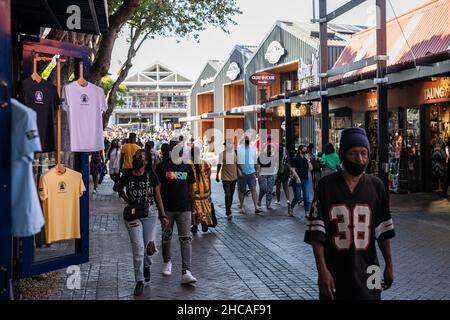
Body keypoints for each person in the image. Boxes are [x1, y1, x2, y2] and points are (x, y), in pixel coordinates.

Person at [305, 127, 395, 300]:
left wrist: (389, 265)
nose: (359, 159)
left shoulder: (376, 186)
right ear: (343, 155)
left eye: (363, 153)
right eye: (353, 153)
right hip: (335, 269)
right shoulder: (326, 186)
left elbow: (383, 232)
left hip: (371, 269)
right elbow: (317, 235)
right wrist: (322, 271)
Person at [117, 155, 169, 296]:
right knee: (138, 248)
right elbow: (118, 188)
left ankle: (147, 265)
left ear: (145, 166)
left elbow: (158, 196)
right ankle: (139, 281)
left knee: (149, 247)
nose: (138, 173)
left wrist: (163, 215)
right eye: (136, 171)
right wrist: (128, 200)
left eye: (140, 171)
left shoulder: (151, 175)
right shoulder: (127, 175)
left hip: (150, 213)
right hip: (133, 215)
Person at [155, 139, 197, 284]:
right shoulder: (162, 167)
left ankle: (187, 271)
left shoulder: (187, 167)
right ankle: (167, 261)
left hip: (184, 208)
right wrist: (161, 211)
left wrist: (194, 209)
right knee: (166, 237)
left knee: (186, 239)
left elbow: (191, 190)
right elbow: (157, 190)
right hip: (167, 209)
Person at [237, 135, 262, 214]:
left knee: (253, 189)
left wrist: (257, 172)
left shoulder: (253, 149)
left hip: (251, 173)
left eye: (248, 139)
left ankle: (256, 207)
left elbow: (255, 162)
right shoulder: (239, 148)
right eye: (245, 139)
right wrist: (239, 172)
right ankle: (241, 207)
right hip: (242, 173)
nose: (247, 140)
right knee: (242, 191)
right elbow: (236, 162)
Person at [190, 147, 213, 233]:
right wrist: (210, 189)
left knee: (195, 207)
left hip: (194, 189)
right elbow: (209, 176)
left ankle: (195, 225)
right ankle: (204, 221)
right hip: (205, 188)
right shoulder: (205, 163)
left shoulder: (188, 164)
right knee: (205, 206)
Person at [216, 139, 238, 221]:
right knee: (228, 194)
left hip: (234, 177)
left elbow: (237, 164)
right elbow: (219, 164)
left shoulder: (235, 153)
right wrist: (217, 175)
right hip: (225, 178)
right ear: (225, 145)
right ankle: (228, 211)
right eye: (228, 144)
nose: (230, 145)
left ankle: (229, 208)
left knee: (231, 195)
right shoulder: (222, 154)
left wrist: (241, 171)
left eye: (231, 144)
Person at [288, 145, 313, 217]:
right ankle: (291, 207)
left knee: (306, 197)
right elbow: (293, 169)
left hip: (305, 180)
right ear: (300, 151)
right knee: (297, 197)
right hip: (297, 180)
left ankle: (307, 212)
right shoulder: (295, 158)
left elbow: (311, 169)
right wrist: (297, 177)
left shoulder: (306, 159)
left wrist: (308, 160)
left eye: (306, 150)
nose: (305, 151)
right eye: (304, 149)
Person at [257, 144, 278, 210]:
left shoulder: (274, 156)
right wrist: (258, 174)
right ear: (268, 149)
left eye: (273, 149)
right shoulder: (262, 155)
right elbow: (258, 165)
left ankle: (268, 204)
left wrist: (276, 173)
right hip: (263, 174)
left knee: (269, 190)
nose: (272, 151)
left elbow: (275, 165)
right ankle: (259, 199)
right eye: (270, 149)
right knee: (263, 188)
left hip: (272, 174)